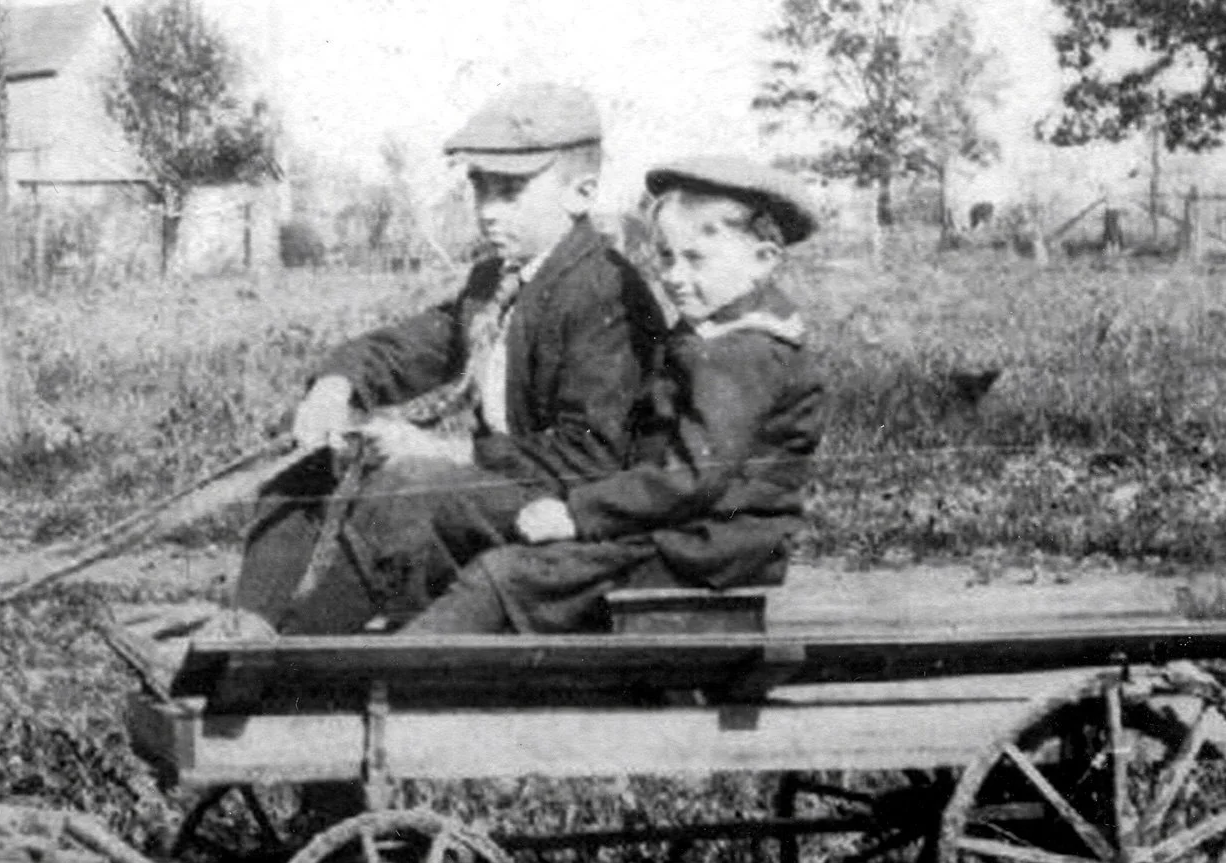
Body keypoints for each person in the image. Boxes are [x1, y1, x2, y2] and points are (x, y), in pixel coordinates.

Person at [226, 82, 661, 636]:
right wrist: (335, 386)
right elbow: (409, 347)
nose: (487, 212)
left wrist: (449, 451)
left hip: (579, 516)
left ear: (581, 193)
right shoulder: (496, 281)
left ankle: (293, 654)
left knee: (411, 487)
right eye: (480, 189)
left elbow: (591, 457)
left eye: (510, 192)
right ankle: (249, 622)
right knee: (313, 439)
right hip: (510, 493)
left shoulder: (605, 294)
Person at [405, 154, 823, 634]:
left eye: (696, 259)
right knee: (479, 526)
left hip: (705, 547)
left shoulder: (744, 352)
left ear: (763, 261)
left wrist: (578, 514)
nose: (674, 276)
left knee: (505, 575)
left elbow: (692, 478)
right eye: (666, 256)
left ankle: (398, 665)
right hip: (685, 530)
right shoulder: (717, 332)